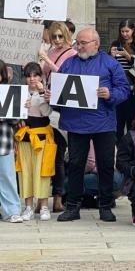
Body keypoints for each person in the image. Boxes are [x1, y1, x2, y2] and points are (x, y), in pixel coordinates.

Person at [50, 28, 130, 222]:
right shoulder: (69, 63)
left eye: (83, 43)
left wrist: (110, 95)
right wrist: (51, 96)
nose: (79, 46)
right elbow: (58, 91)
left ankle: (105, 206)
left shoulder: (110, 63)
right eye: (77, 42)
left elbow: (124, 89)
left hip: (103, 123)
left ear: (96, 43)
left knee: (105, 166)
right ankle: (72, 207)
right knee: (76, 165)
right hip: (76, 124)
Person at [38, 21, 75, 213]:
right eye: (54, 37)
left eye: (61, 36)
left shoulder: (71, 54)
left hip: (61, 106)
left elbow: (65, 77)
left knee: (59, 155)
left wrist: (47, 60)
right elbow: (42, 75)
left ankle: (58, 198)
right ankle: (40, 197)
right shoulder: (49, 51)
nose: (57, 40)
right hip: (46, 100)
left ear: (67, 35)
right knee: (43, 154)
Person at [15, 63, 56, 222]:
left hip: (42, 135)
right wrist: (21, 110)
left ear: (41, 76)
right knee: (25, 171)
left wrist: (40, 94)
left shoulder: (45, 93)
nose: (32, 79)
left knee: (42, 170)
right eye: (29, 76)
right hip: (25, 135)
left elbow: (48, 113)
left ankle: (44, 205)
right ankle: (28, 206)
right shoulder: (20, 93)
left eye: (35, 75)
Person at [0, 60, 25, 223]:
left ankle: (12, 210)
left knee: (7, 176)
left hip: (4, 141)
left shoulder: (9, 92)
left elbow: (15, 119)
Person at [111, 19, 135, 139]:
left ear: (133, 30)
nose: (125, 34)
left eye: (127, 31)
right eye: (122, 31)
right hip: (117, 84)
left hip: (132, 86)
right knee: (118, 120)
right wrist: (112, 56)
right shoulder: (116, 44)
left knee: (131, 119)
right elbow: (110, 65)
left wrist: (128, 56)